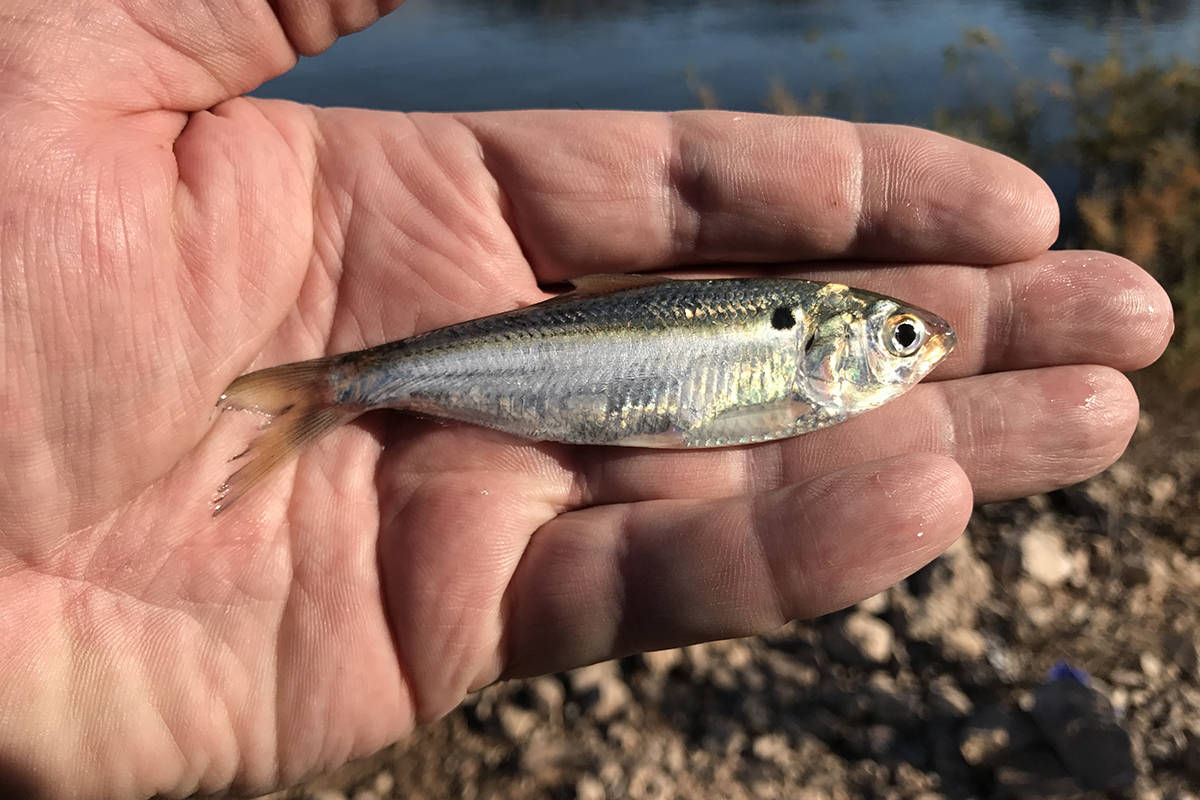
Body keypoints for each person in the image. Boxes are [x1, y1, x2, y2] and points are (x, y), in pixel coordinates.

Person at [0, 1, 1173, 798]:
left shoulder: (817, 370)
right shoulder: (807, 357)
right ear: (839, 338)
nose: (912, 351)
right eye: (900, 337)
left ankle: (338, 390)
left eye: (903, 337)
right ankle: (337, 391)